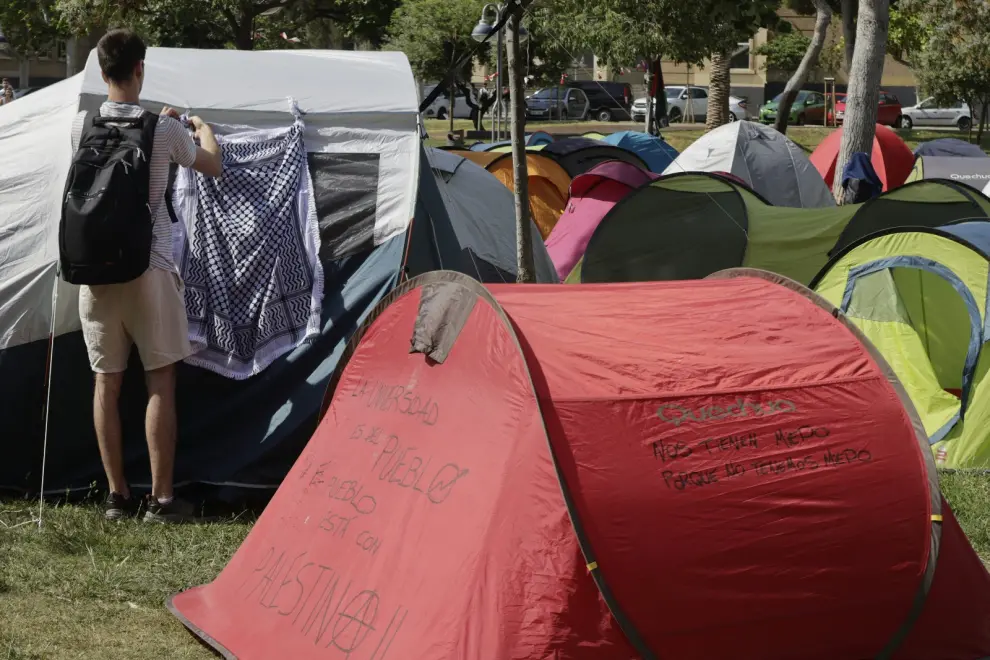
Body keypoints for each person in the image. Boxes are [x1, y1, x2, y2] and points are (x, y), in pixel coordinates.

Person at [70, 29, 223, 522]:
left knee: (105, 382)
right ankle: (161, 500)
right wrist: (201, 127)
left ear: (100, 70)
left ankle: (117, 497)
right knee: (160, 380)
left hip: (93, 273)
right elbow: (212, 166)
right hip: (150, 269)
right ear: (140, 69)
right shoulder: (165, 130)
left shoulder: (80, 126)